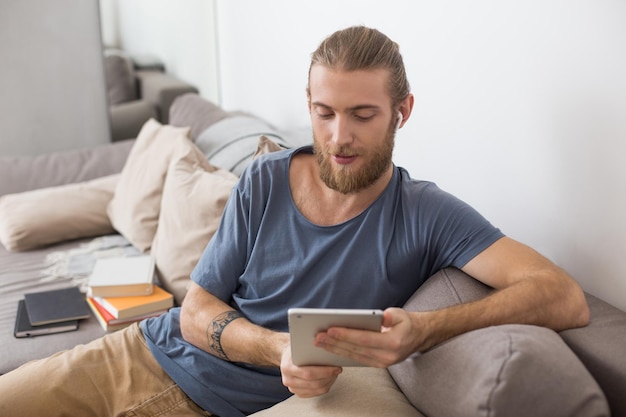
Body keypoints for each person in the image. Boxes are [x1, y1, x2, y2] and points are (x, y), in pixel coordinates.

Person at [0, 25, 589, 417]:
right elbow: (197, 311)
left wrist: (425, 330)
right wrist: (276, 348)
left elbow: (563, 297)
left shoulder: (427, 214)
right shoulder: (265, 179)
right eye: (324, 112)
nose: (339, 138)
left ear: (401, 112)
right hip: (141, 354)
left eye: (363, 115)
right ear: (308, 104)